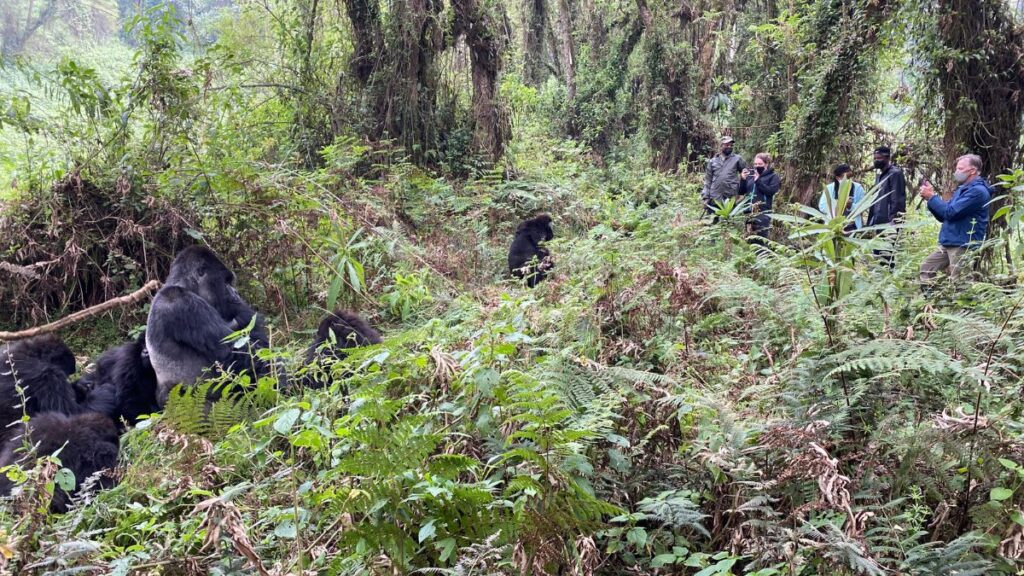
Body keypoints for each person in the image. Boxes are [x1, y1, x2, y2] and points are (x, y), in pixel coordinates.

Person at [917, 154, 991, 283]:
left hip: (963, 242)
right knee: (926, 268)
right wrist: (930, 200)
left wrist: (931, 197)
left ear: (972, 171)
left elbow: (950, 213)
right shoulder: (963, 190)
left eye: (961, 169)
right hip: (950, 240)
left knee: (960, 281)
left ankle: (964, 303)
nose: (956, 172)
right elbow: (944, 216)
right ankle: (932, 302)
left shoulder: (978, 192)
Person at [868, 146, 906, 267]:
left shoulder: (895, 174)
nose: (876, 160)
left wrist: (894, 221)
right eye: (874, 158)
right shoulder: (880, 176)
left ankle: (887, 280)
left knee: (887, 254)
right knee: (877, 253)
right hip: (878, 220)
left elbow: (897, 199)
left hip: (888, 221)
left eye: (878, 158)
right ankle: (879, 280)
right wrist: (870, 221)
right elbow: (875, 200)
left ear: (887, 157)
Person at [701, 136, 747, 221]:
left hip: (730, 197)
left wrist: (741, 189)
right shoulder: (713, 161)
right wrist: (705, 196)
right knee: (712, 222)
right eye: (727, 145)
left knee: (728, 222)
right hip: (714, 196)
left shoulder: (737, 159)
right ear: (721, 145)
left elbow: (745, 172)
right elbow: (708, 180)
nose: (729, 147)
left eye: (731, 145)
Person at [743, 152, 781, 241]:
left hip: (763, 211)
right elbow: (742, 191)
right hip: (749, 211)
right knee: (749, 239)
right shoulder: (751, 175)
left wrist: (758, 181)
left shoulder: (773, 177)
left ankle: (763, 255)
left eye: (760, 164)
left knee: (761, 239)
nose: (757, 166)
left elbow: (770, 191)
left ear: (766, 164)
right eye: (755, 164)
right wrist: (743, 179)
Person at [818, 164, 866, 232]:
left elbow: (862, 207)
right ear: (838, 178)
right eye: (845, 178)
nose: (848, 180)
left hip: (852, 227)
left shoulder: (858, 188)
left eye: (850, 178)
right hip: (833, 226)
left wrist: (850, 206)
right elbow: (822, 206)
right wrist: (839, 204)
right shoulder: (829, 188)